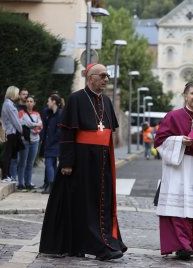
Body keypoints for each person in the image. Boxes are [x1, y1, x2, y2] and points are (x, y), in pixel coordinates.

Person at [40, 63, 126, 260]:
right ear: (90, 77)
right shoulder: (76, 99)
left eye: (107, 76)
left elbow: (107, 133)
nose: (106, 79)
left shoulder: (106, 100)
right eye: (102, 76)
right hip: (81, 160)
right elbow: (68, 132)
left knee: (101, 201)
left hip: (101, 160)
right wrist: (67, 162)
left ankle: (106, 240)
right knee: (81, 204)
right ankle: (93, 246)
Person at [154, 82, 193, 260]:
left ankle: (190, 245)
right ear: (185, 96)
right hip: (177, 167)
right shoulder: (172, 116)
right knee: (176, 208)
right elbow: (159, 141)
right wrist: (180, 141)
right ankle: (182, 245)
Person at [17, 95, 42, 190]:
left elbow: (40, 127)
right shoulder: (21, 113)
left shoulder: (37, 114)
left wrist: (30, 126)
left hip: (35, 141)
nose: (29, 103)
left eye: (31, 101)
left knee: (30, 163)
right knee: (22, 162)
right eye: (27, 101)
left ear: (34, 103)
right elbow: (20, 125)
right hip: (25, 141)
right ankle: (20, 183)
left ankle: (28, 182)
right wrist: (34, 125)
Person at [1, 86, 23, 183]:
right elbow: (15, 120)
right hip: (11, 132)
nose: (18, 95)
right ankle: (5, 175)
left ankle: (8, 175)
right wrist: (21, 130)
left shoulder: (8, 104)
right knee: (8, 154)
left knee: (10, 155)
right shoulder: (9, 105)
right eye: (17, 93)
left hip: (11, 132)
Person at [41, 94, 62, 194]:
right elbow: (45, 127)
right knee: (52, 164)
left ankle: (51, 185)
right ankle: (52, 186)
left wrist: (51, 141)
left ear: (54, 101)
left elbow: (59, 131)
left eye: (49, 101)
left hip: (55, 143)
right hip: (48, 143)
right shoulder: (48, 113)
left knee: (49, 163)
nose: (47, 103)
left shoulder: (60, 113)